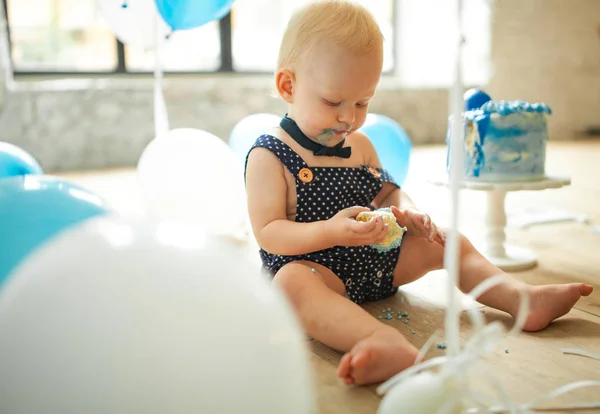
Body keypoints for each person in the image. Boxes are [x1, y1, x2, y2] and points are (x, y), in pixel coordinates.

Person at [243, 0, 593, 386]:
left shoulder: (359, 145)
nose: (348, 117)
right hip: (320, 274)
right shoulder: (270, 155)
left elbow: (388, 193)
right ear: (288, 85)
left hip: (375, 264)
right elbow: (270, 232)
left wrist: (407, 213)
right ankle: (379, 341)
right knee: (291, 285)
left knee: (448, 241)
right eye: (333, 102)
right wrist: (332, 231)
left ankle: (519, 297)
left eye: (362, 102)